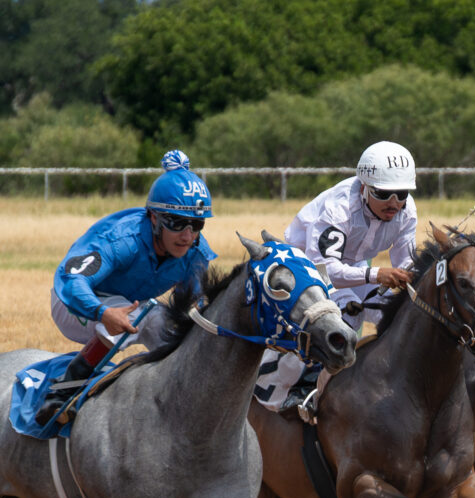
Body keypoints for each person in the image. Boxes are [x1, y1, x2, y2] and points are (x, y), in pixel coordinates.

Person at [35, 150, 216, 425]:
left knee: (166, 324)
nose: (187, 235)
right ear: (154, 218)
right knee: (137, 316)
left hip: (126, 306)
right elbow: (71, 281)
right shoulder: (122, 239)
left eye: (196, 224)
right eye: (177, 223)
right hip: (73, 303)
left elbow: (191, 308)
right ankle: (63, 391)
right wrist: (102, 313)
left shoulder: (195, 252)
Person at [255, 140, 418, 416]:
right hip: (306, 261)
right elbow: (327, 270)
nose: (394, 203)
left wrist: (413, 277)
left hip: (352, 264)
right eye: (383, 194)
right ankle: (301, 389)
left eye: (400, 193)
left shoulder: (406, 210)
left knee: (399, 313)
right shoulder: (338, 207)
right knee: (342, 318)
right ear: (364, 186)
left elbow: (405, 264)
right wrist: (377, 274)